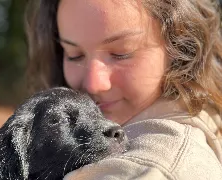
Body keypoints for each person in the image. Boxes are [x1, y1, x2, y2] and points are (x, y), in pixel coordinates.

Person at [24, 0, 222, 179]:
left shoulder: (151, 170)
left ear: (180, 47)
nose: (94, 84)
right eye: (74, 55)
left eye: (121, 53)